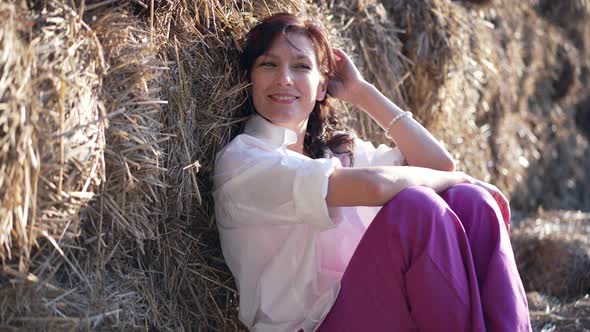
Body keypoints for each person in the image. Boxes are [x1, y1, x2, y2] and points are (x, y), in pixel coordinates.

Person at [212, 12, 531, 332]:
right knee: (418, 210)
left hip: (377, 310)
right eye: (268, 64)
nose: (284, 78)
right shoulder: (243, 161)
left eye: (301, 66)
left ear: (322, 86)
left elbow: (438, 165)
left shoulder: (337, 155)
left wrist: (360, 91)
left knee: (472, 201)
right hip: (310, 326)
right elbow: (376, 187)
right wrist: (458, 177)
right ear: (250, 78)